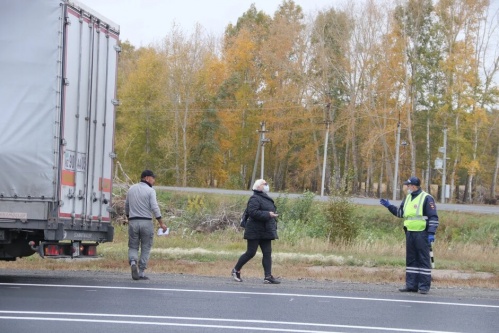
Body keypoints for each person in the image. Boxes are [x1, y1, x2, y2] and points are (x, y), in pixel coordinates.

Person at [380, 176, 439, 294]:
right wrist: (389, 206)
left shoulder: (426, 198)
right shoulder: (407, 198)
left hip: (422, 232)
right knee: (411, 259)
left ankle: (423, 287)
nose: (406, 187)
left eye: (408, 185)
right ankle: (411, 285)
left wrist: (431, 232)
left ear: (414, 186)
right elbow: (400, 213)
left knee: (423, 259)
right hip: (410, 232)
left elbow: (433, 217)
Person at [231, 179, 280, 284]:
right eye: (264, 184)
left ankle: (268, 276)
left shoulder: (265, 198)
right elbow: (253, 212)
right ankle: (236, 270)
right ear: (258, 187)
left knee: (267, 253)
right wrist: (268, 214)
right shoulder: (254, 198)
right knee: (251, 252)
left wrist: (272, 216)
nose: (266, 185)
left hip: (266, 230)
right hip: (254, 230)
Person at [125, 170, 167, 280]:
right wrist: (161, 223)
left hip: (133, 221)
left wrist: (129, 218)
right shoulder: (150, 191)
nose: (154, 180)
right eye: (153, 178)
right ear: (147, 178)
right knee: (146, 246)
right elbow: (155, 207)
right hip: (146, 222)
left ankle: (133, 262)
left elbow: (127, 206)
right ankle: (141, 272)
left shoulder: (131, 189)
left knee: (133, 245)